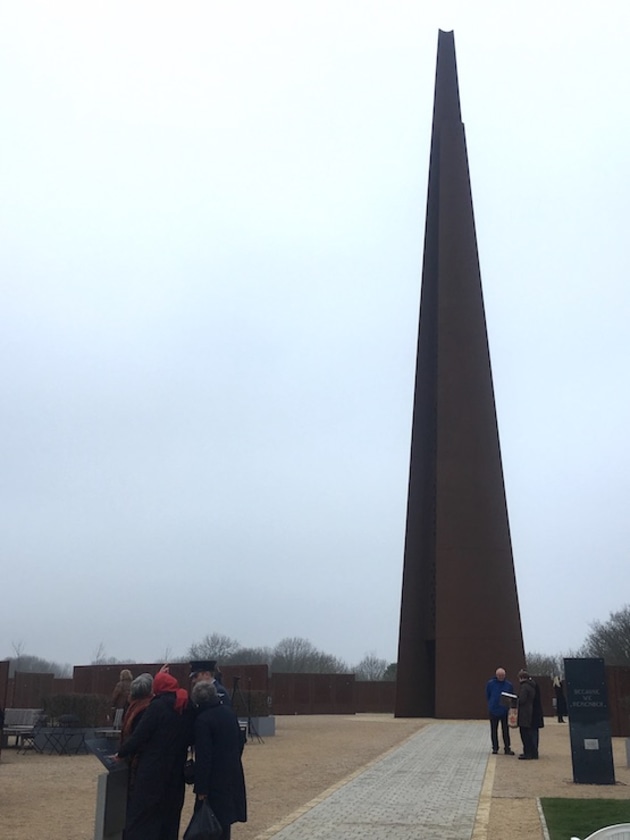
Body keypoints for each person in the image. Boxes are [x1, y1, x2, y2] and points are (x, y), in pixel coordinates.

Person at [116, 671, 190, 840]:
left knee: (141, 821)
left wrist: (121, 753)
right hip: (175, 774)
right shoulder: (184, 705)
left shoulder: (155, 707)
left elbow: (139, 736)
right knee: (169, 822)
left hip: (152, 772)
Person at [191, 680, 247, 840]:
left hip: (213, 780)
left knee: (207, 825)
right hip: (231, 774)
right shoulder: (229, 713)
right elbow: (240, 741)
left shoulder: (203, 720)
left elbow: (204, 757)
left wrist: (201, 788)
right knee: (224, 822)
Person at [485, 667, 515, 755]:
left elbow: (511, 696)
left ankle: (507, 747)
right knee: (494, 730)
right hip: (493, 710)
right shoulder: (490, 684)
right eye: (499, 675)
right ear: (496, 675)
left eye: (503, 675)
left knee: (505, 730)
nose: (501, 677)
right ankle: (495, 748)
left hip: (505, 711)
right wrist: (491, 704)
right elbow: (488, 695)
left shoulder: (509, 685)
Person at [516, 669, 537, 760]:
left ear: (521, 678)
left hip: (524, 712)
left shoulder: (524, 687)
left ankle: (527, 753)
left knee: (524, 734)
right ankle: (532, 752)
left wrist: (515, 700)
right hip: (530, 711)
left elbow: (522, 700)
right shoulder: (532, 685)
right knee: (529, 733)